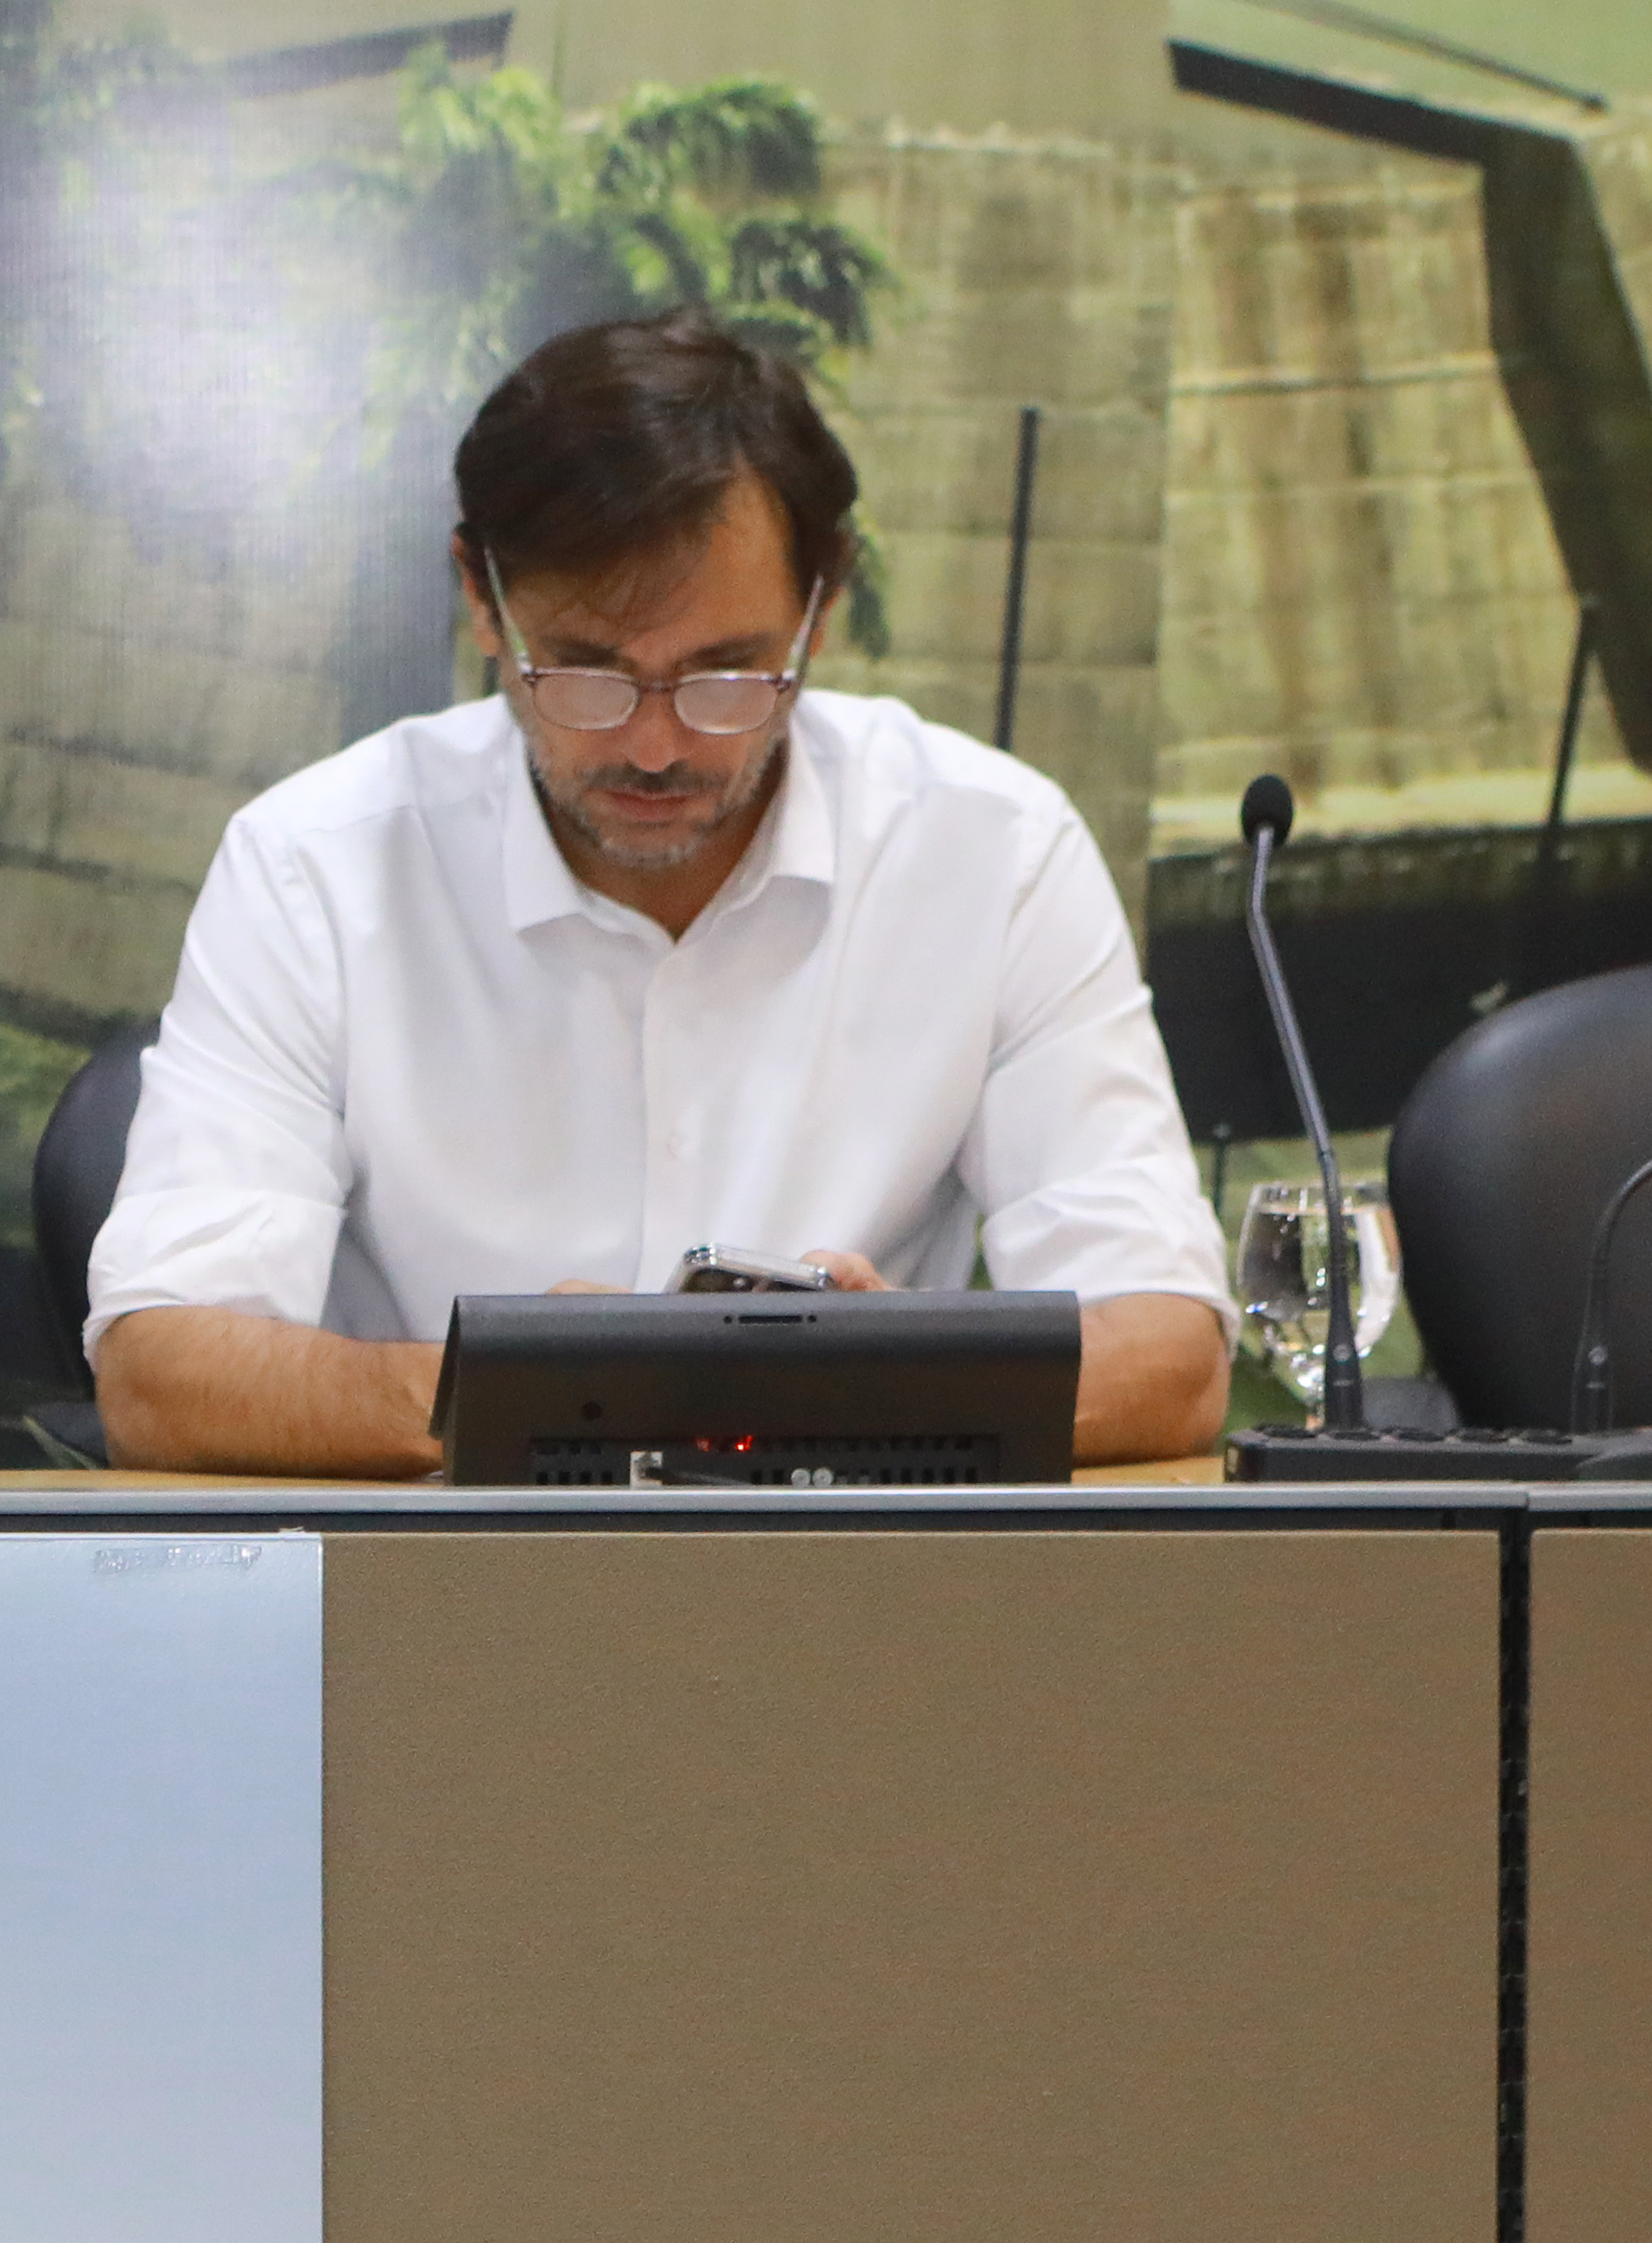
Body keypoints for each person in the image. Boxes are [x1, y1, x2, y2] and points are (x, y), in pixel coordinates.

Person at [85, 310, 1232, 1476]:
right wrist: (544, 1393)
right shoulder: (314, 867)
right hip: (447, 1600)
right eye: (584, 672)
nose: (651, 746)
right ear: (483, 602)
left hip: (864, 1598)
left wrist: (855, 1393)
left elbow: (1172, 1353)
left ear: (821, 610)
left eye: (724, 675)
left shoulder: (993, 850)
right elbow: (161, 1373)